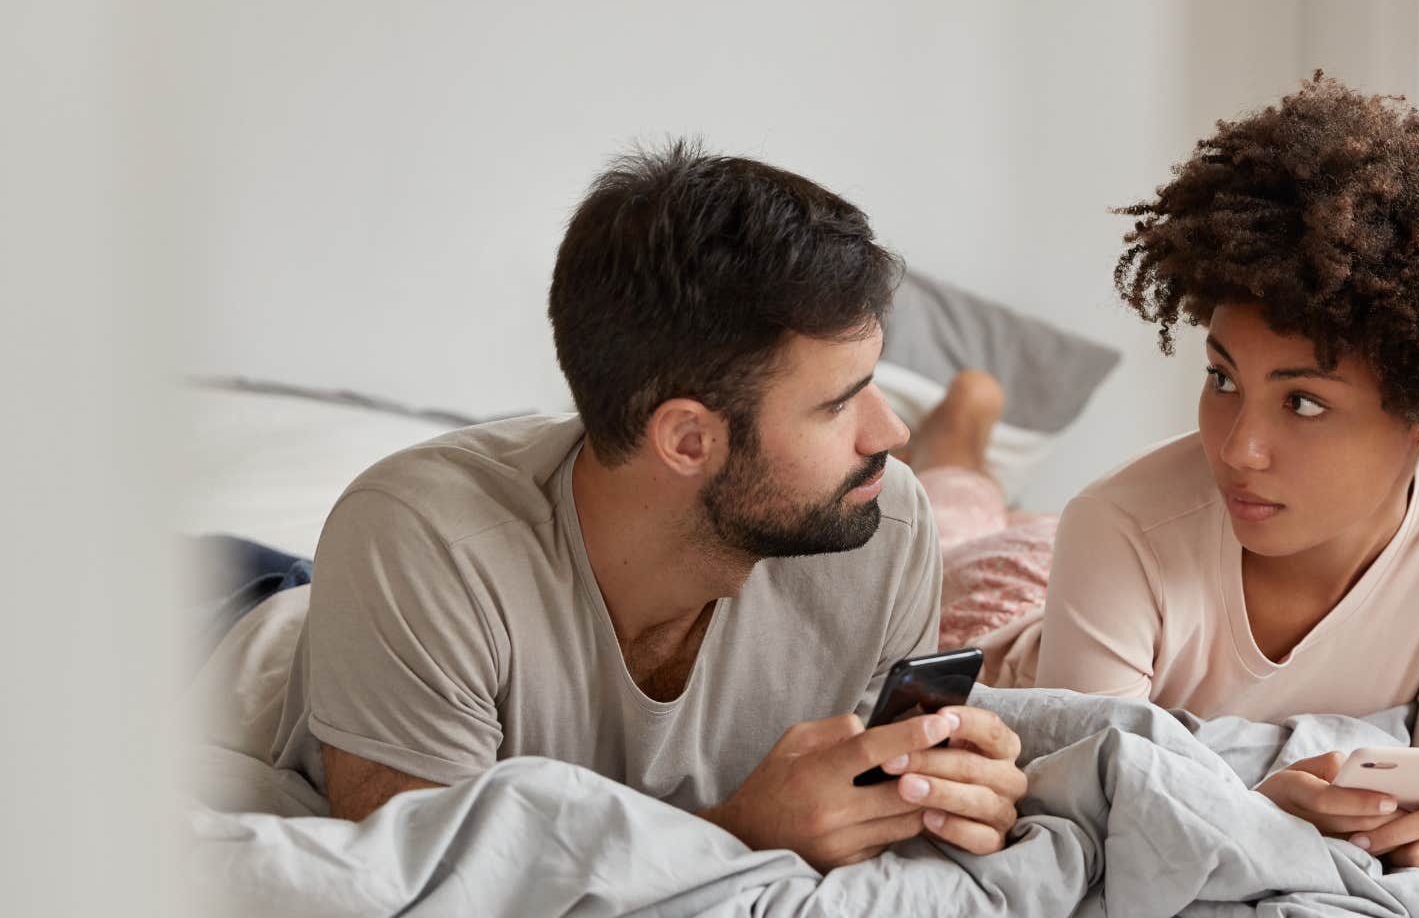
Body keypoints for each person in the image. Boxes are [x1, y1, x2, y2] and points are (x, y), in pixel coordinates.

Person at [262, 143, 1027, 870]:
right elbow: (420, 883)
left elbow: (873, 816)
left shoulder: (884, 522)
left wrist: (936, 797)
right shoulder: (424, 543)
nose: (890, 434)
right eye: (839, 405)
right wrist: (740, 835)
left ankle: (966, 426)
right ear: (688, 440)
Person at [969, 75, 1419, 877]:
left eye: (1302, 402)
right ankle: (965, 430)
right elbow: (1083, 827)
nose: (1239, 450)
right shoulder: (1116, 527)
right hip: (1010, 595)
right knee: (963, 511)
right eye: (1223, 380)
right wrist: (1258, 815)